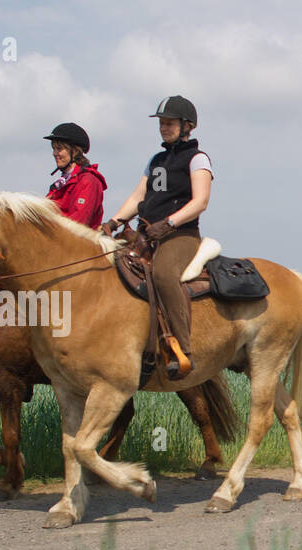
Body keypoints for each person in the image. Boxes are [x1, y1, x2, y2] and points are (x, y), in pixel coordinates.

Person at [103, 96, 211, 380]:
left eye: (170, 123)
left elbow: (200, 202)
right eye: (162, 123)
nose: (164, 128)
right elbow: (139, 196)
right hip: (147, 234)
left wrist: (169, 223)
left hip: (181, 236)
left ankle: (183, 350)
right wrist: (115, 220)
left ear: (187, 125)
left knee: (163, 274)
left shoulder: (197, 158)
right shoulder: (156, 160)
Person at [43, 123, 106, 230]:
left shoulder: (88, 181)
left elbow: (78, 224)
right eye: (54, 149)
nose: (54, 153)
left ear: (75, 151)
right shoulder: (61, 183)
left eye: (59, 149)